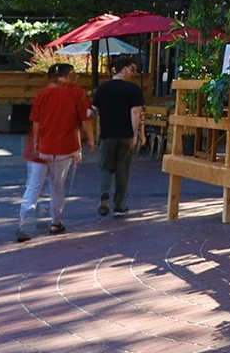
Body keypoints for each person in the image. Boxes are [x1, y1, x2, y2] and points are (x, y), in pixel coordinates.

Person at [17, 62, 93, 242]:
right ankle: (55, 222)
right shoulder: (78, 93)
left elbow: (35, 121)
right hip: (66, 148)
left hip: (42, 148)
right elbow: (85, 120)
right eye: (74, 74)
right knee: (57, 185)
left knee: (34, 185)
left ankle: (23, 222)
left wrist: (36, 141)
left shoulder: (43, 94)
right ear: (69, 74)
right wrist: (90, 139)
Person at [90, 55, 146, 217]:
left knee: (104, 167)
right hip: (125, 135)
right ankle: (119, 204)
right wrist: (136, 134)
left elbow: (94, 109)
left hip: (107, 134)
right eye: (132, 69)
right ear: (124, 68)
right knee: (123, 169)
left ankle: (104, 195)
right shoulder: (133, 90)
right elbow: (135, 112)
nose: (134, 73)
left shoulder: (103, 88)